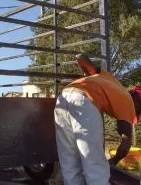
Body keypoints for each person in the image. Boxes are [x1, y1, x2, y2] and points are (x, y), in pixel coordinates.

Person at [54, 54, 141, 185]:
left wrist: (82, 64)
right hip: (84, 102)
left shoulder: (111, 80)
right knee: (94, 163)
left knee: (69, 159)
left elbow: (84, 60)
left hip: (63, 97)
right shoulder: (129, 104)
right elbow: (125, 145)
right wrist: (113, 161)